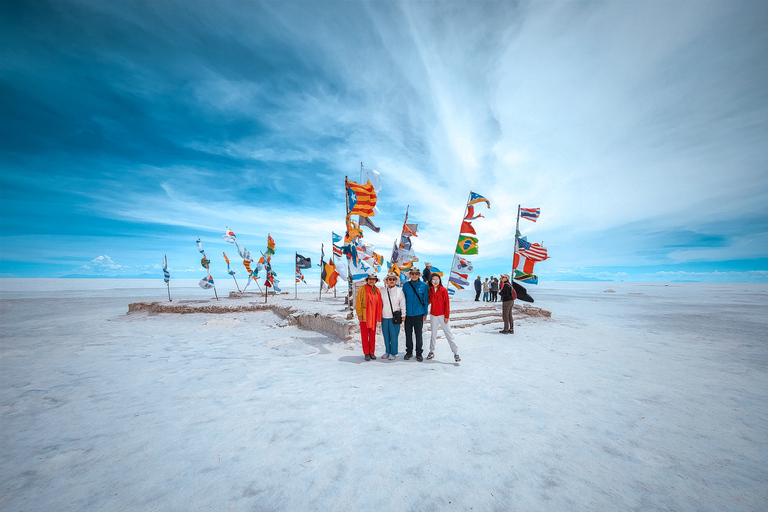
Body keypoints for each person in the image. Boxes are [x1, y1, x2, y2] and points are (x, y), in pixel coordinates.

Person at [427, 274, 460, 362]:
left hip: (442, 315)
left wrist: (447, 316)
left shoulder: (443, 290)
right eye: (433, 280)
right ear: (431, 281)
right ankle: (431, 351)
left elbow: (447, 304)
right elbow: (429, 301)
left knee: (448, 334)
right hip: (434, 315)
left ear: (439, 280)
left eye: (437, 280)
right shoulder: (430, 290)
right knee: (433, 334)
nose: (435, 282)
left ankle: (455, 353)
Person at [402, 267, 429, 361]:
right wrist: (403, 313)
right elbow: (402, 300)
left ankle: (419, 353)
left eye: (416, 274)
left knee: (418, 334)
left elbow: (426, 300)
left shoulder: (424, 286)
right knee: (408, 334)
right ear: (410, 275)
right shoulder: (405, 285)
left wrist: (425, 313)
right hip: (408, 314)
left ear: (419, 275)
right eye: (412, 274)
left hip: (419, 313)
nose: (414, 275)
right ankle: (409, 352)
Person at [355, 273, 382, 361]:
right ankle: (366, 352)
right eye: (370, 279)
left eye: (373, 279)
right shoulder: (362, 289)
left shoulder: (378, 290)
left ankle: (372, 352)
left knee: (373, 335)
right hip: (365, 315)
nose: (371, 280)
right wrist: (359, 314)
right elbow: (358, 302)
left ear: (376, 281)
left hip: (374, 315)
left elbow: (380, 303)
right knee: (365, 335)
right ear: (367, 280)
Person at [380, 272, 406, 360]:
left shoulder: (400, 291)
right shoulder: (383, 291)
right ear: (387, 280)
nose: (392, 281)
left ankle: (393, 352)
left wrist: (403, 314)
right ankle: (387, 351)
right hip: (384, 316)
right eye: (390, 279)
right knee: (386, 335)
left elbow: (402, 303)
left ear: (396, 281)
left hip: (395, 317)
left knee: (394, 335)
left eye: (393, 279)